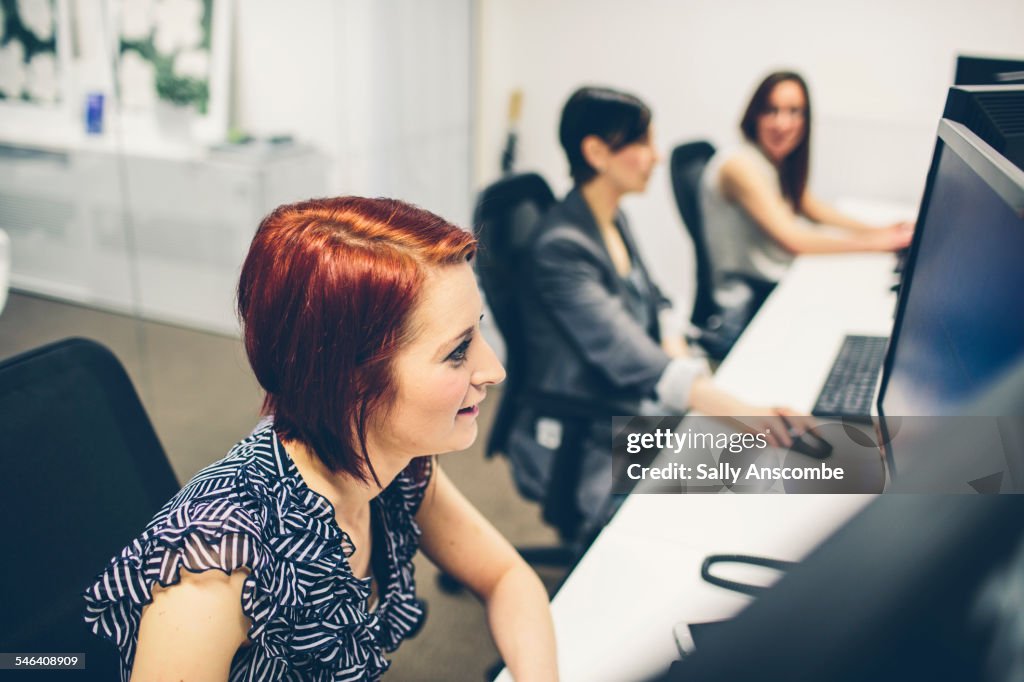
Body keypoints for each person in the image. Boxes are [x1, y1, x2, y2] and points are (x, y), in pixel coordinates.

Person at [83, 198, 558, 681]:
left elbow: (507, 579)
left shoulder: (394, 464)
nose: (494, 370)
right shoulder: (213, 572)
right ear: (351, 379)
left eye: (476, 333)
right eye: (457, 352)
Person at [507, 86, 799, 536]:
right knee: (774, 470)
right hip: (588, 437)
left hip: (634, 408)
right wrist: (739, 409)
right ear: (597, 152)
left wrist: (688, 370)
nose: (656, 157)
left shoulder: (609, 218)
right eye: (642, 143)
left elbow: (658, 305)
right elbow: (631, 358)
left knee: (791, 462)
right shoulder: (561, 249)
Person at [700, 70, 913, 306]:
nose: (782, 123)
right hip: (747, 302)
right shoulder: (739, 165)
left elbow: (811, 206)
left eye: (794, 112)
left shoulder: (770, 161)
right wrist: (877, 244)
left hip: (773, 286)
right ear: (755, 116)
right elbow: (794, 239)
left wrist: (878, 231)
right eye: (771, 110)